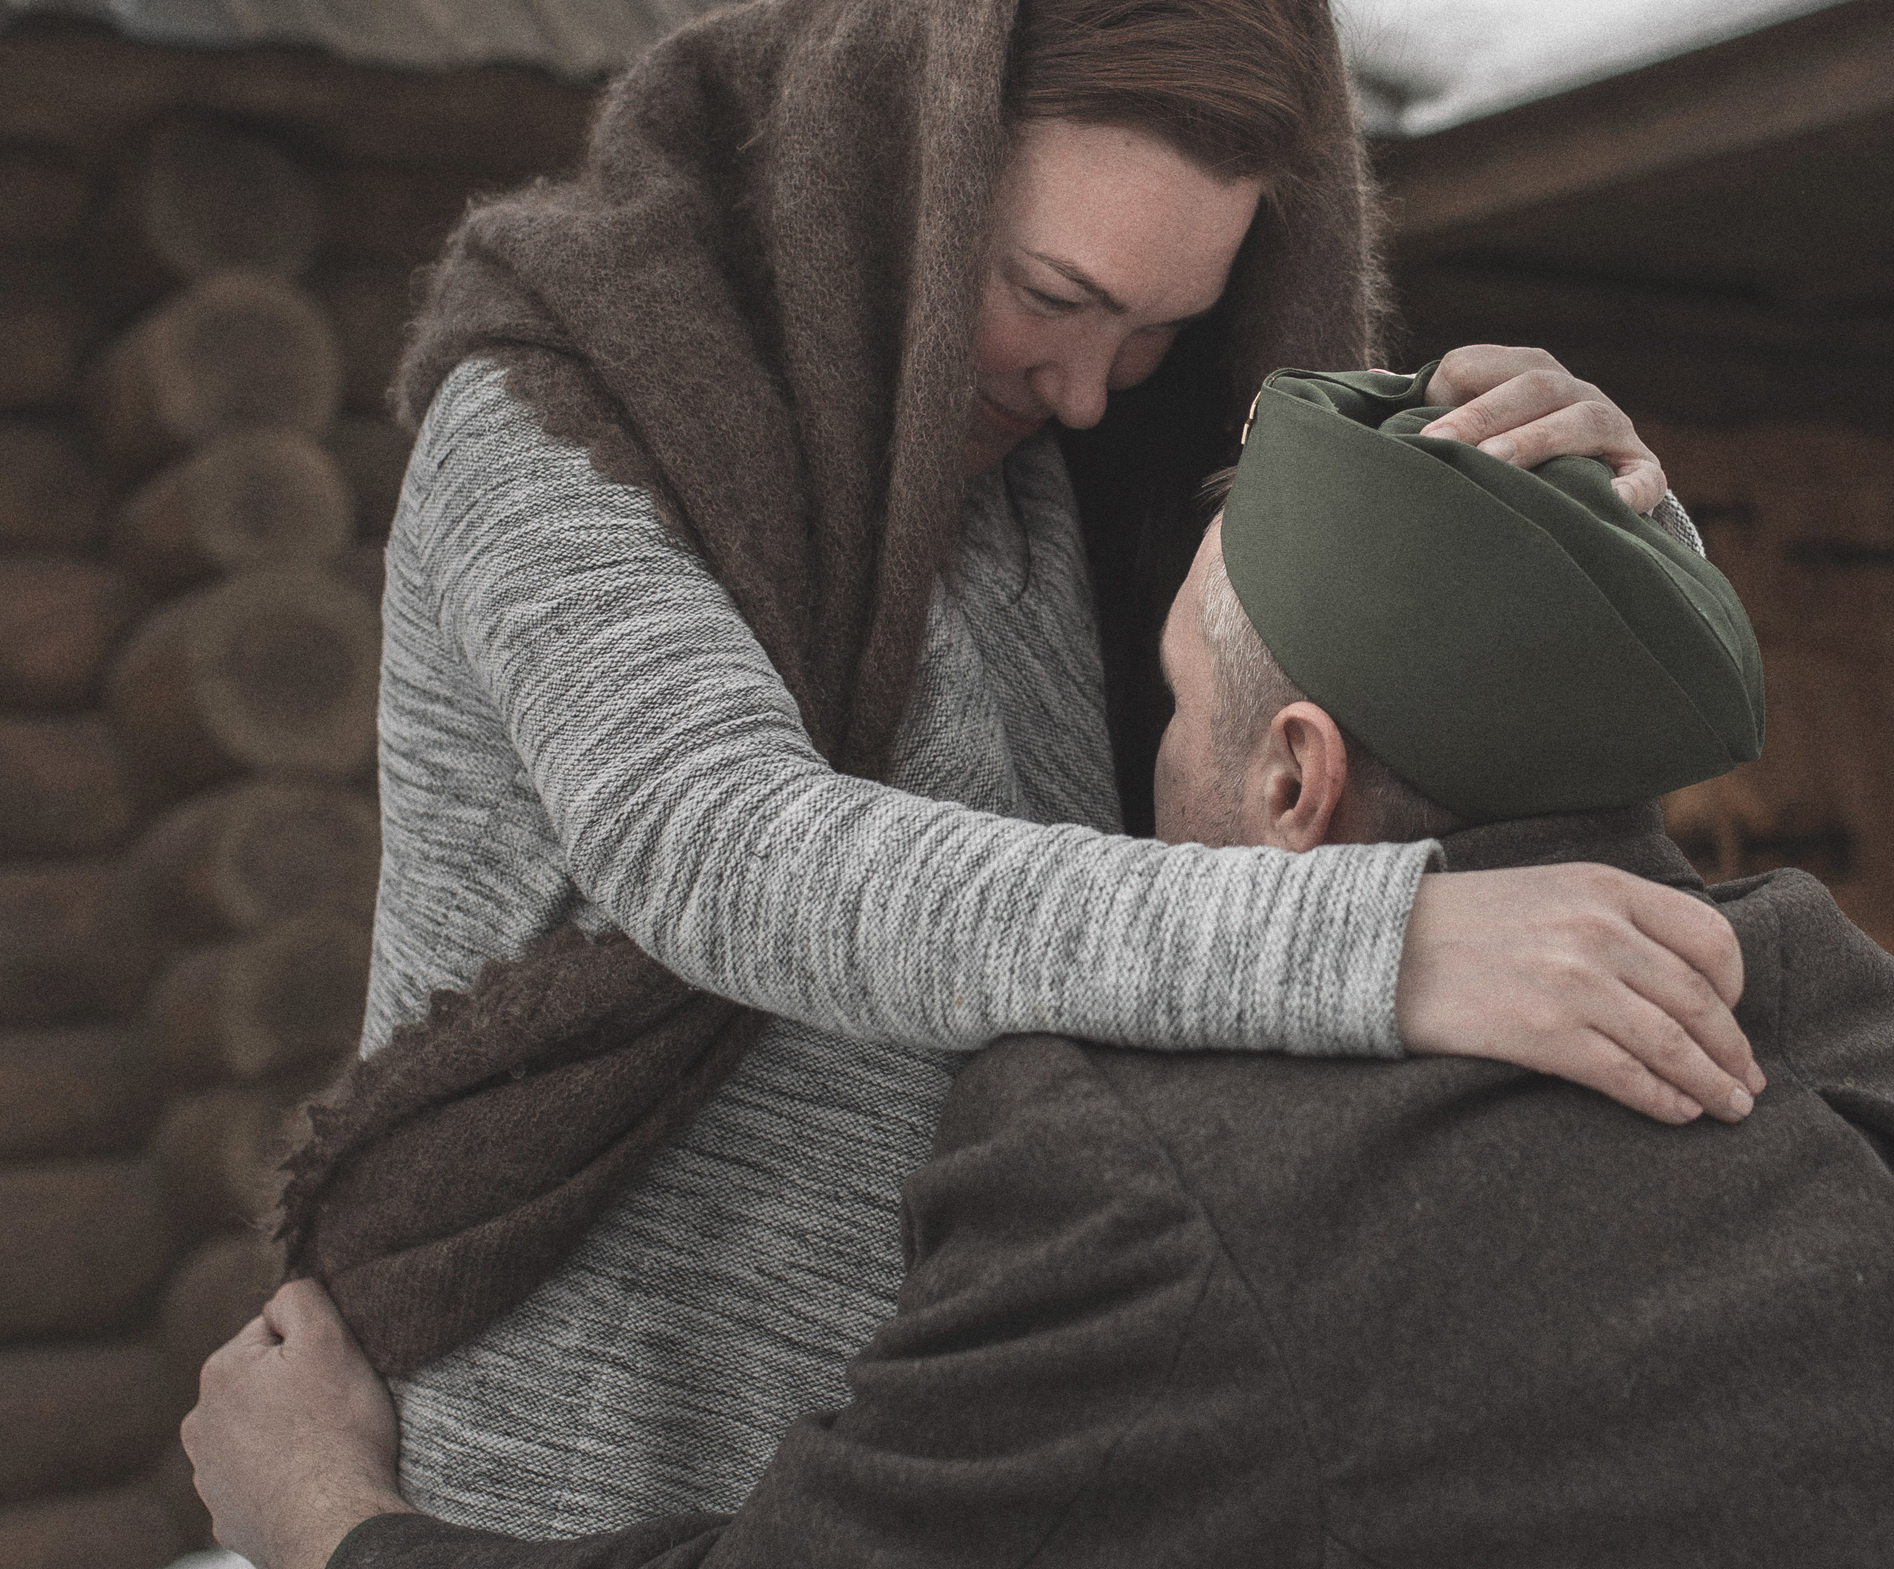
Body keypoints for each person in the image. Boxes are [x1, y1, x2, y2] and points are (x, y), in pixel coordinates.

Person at [188, 367, 1894, 1569]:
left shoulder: (1170, 1178)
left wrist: (334, 1523)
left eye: (1162, 696)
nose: (1125, 758)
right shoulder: (1838, 1039)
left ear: (1292, 775)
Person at [275, 0, 1772, 1539]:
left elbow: (1355, 725)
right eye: (1050, 294)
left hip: (963, 1457)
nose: (1088, 387)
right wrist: (1386, 943)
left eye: (1162, 331)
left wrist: (1591, 521)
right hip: (584, 1463)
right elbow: (722, 849)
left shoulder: (1060, 482)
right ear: (893, 168)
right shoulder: (552, 412)